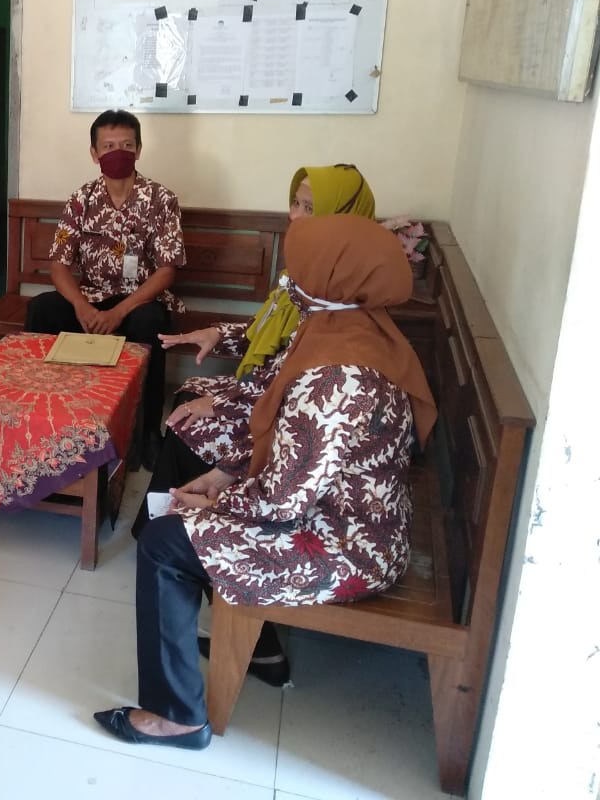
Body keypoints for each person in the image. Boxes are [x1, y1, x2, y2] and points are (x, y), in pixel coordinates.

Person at [94, 214, 436, 751]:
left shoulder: (337, 375)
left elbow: (282, 501)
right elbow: (289, 446)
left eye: (302, 267)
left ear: (332, 277)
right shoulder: (353, 328)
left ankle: (174, 717)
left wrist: (215, 502)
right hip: (348, 517)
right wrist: (225, 473)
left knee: (165, 544)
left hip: (347, 546)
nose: (290, 278)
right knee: (181, 515)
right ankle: (241, 655)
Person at [131, 164, 376, 544]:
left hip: (290, 419)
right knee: (189, 398)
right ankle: (168, 525)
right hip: (270, 395)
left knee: (189, 421)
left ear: (342, 218)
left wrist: (221, 404)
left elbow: (296, 381)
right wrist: (217, 334)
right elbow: (265, 337)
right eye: (295, 203)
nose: (295, 215)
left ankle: (171, 533)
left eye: (310, 208)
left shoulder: (338, 293)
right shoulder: (306, 272)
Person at [24, 109, 186, 469]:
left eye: (126, 145)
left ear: (139, 149)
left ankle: (147, 433)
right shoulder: (81, 199)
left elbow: (166, 271)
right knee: (42, 310)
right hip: (93, 298)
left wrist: (119, 311)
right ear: (94, 153)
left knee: (150, 324)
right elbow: (59, 265)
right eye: (109, 146)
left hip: (140, 300)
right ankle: (44, 416)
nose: (118, 152)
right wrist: (81, 306)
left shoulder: (161, 199)